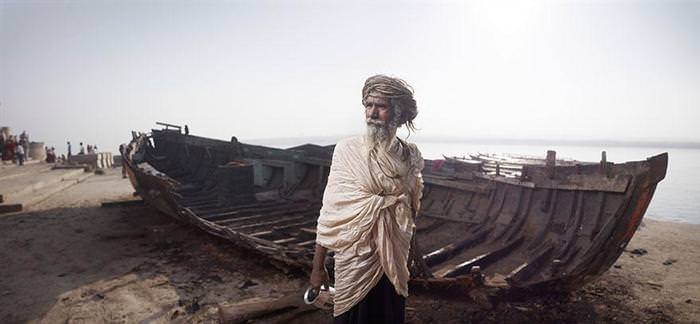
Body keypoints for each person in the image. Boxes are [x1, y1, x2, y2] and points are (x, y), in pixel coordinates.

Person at [310, 75, 423, 324]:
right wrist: (318, 268)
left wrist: (413, 253)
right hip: (356, 255)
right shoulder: (347, 151)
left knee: (388, 313)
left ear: (397, 112)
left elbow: (410, 209)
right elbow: (331, 212)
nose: (372, 112)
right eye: (368, 105)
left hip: (394, 251)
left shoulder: (409, 154)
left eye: (381, 106)